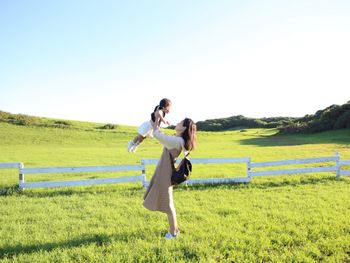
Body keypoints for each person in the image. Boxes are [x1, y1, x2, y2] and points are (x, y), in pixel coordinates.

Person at [143, 118, 197, 240]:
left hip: (165, 172)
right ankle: (175, 231)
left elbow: (157, 134)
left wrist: (156, 119)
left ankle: (173, 234)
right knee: (168, 203)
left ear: (183, 128)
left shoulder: (177, 141)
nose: (177, 123)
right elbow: (160, 135)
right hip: (165, 171)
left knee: (168, 204)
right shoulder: (179, 140)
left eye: (180, 122)